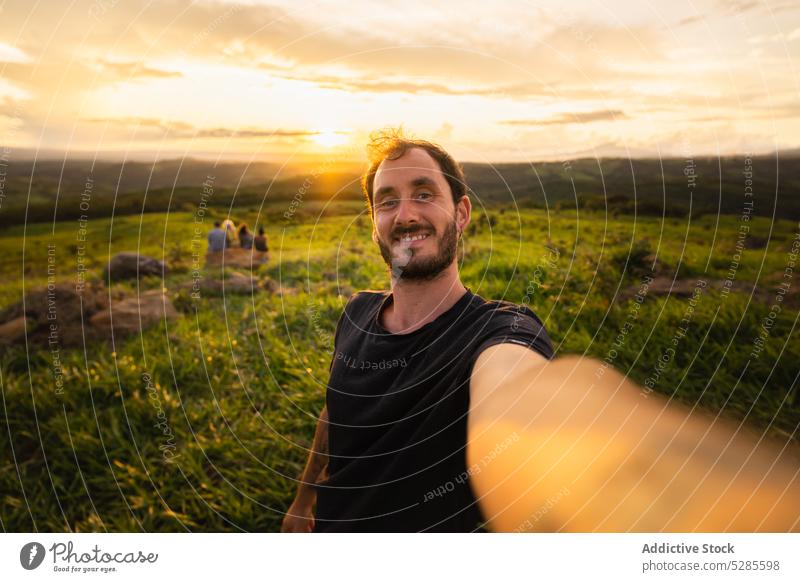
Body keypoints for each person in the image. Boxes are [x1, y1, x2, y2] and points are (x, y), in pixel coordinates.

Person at [282, 129, 800, 533]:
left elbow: (525, 397)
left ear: (461, 213)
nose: (407, 214)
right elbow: (336, 414)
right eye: (387, 201)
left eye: (424, 193)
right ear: (373, 220)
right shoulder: (355, 313)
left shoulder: (497, 333)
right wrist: (303, 500)